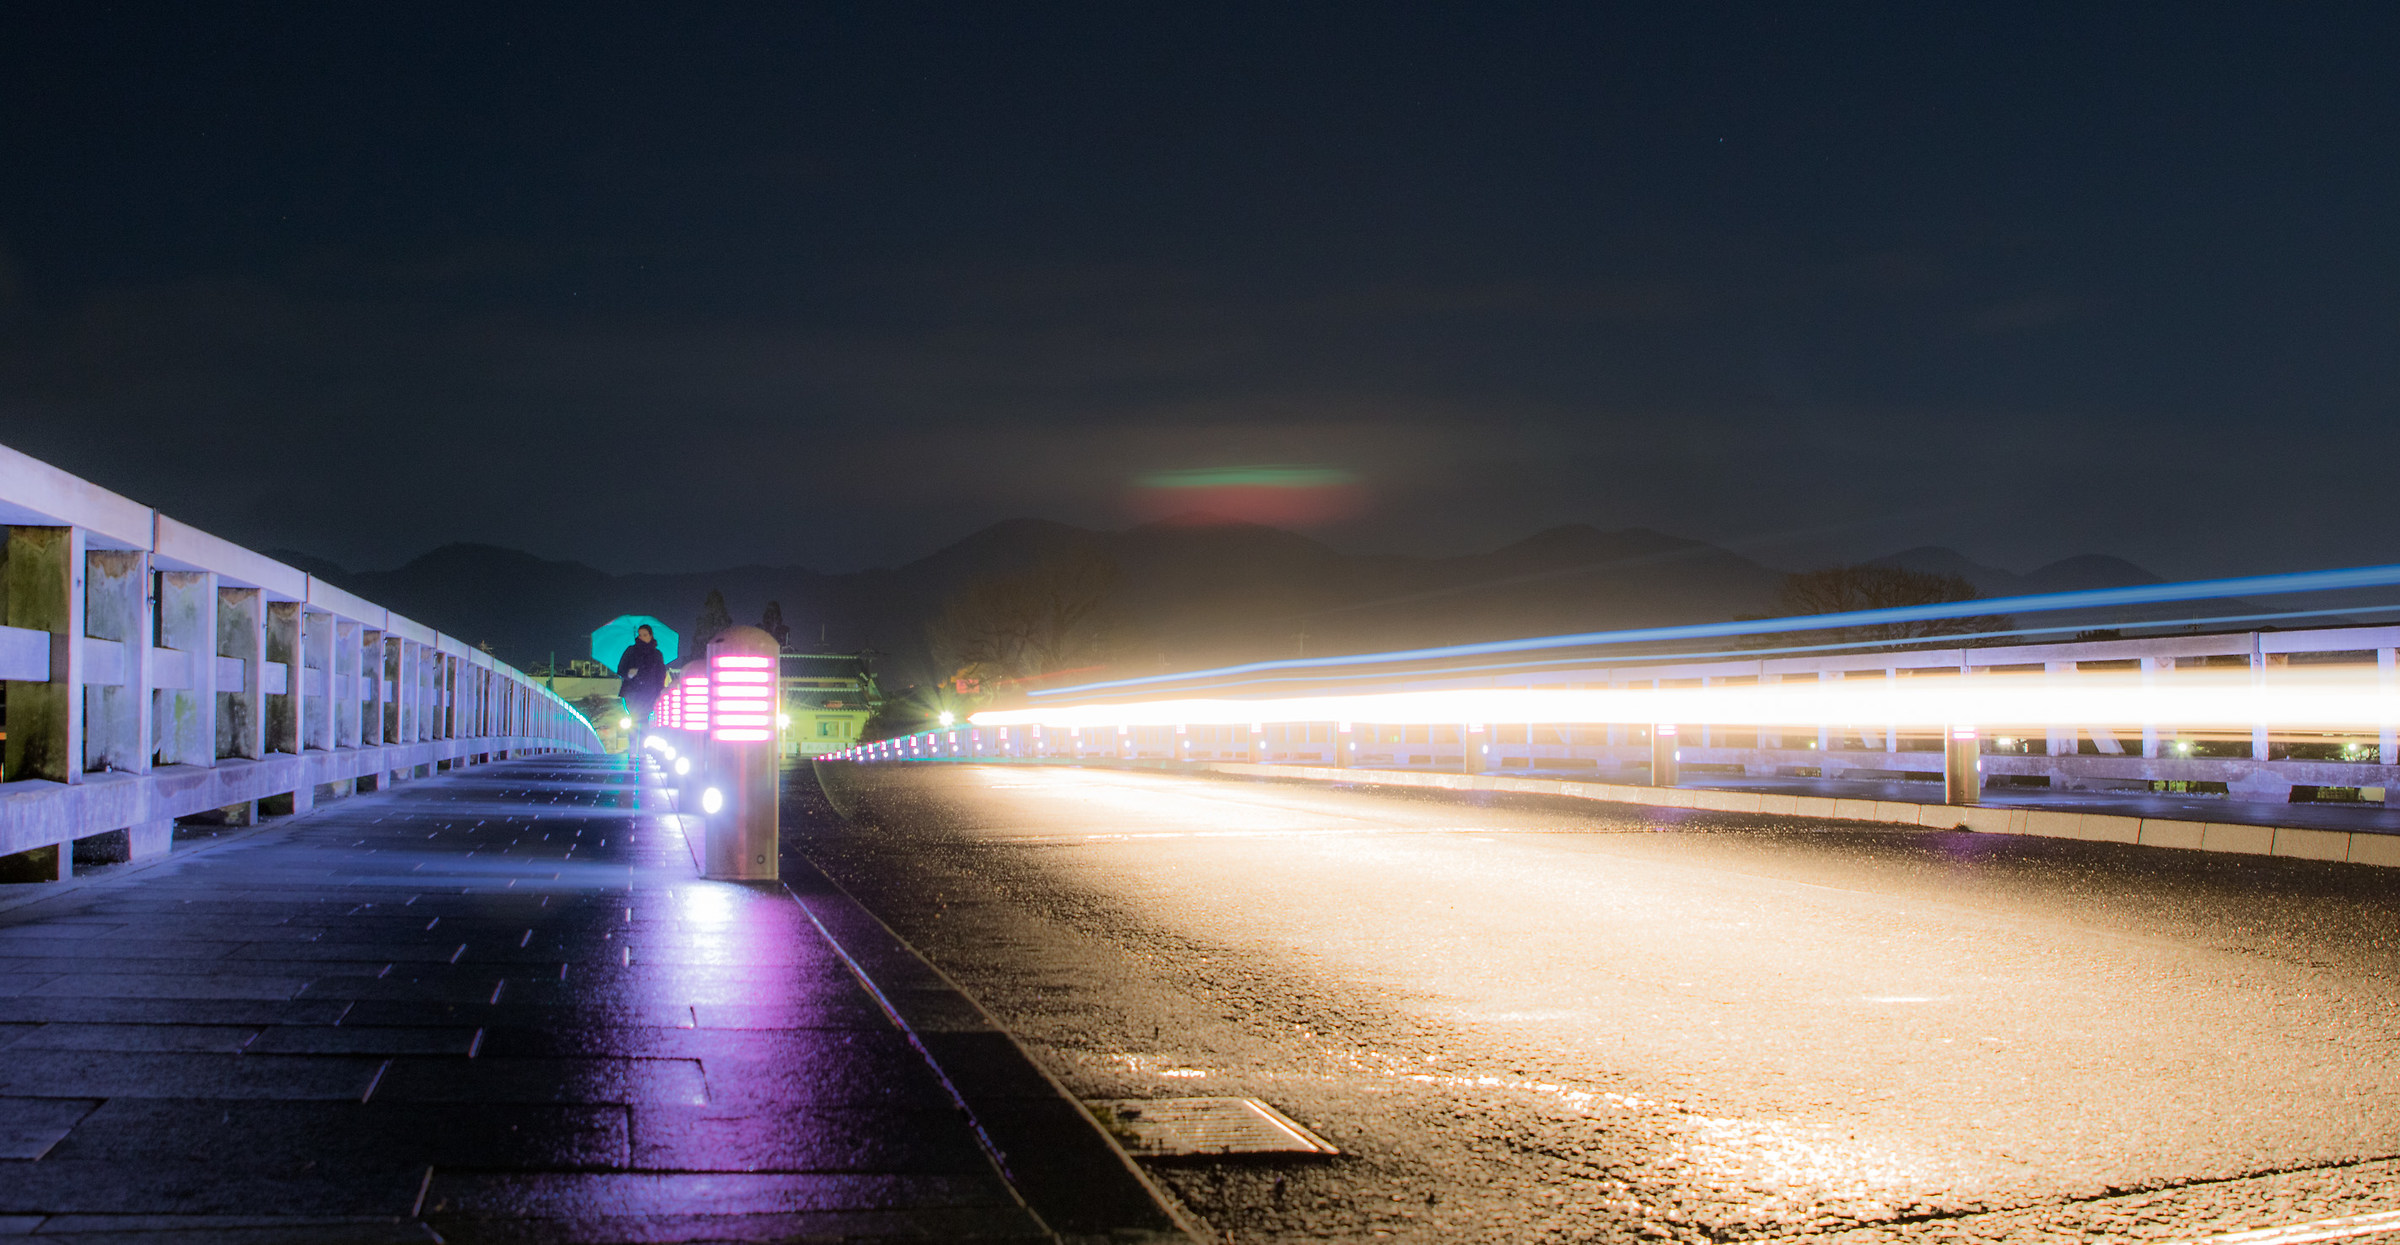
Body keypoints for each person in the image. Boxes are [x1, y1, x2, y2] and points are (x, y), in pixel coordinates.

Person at [616, 624, 668, 752]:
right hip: (632, 691)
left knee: (645, 719)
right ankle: (634, 745)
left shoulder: (657, 654)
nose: (642, 637)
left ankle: (642, 747)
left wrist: (659, 691)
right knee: (634, 718)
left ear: (651, 636)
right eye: (640, 634)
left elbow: (661, 675)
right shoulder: (631, 651)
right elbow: (620, 669)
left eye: (645, 635)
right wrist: (629, 673)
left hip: (649, 692)